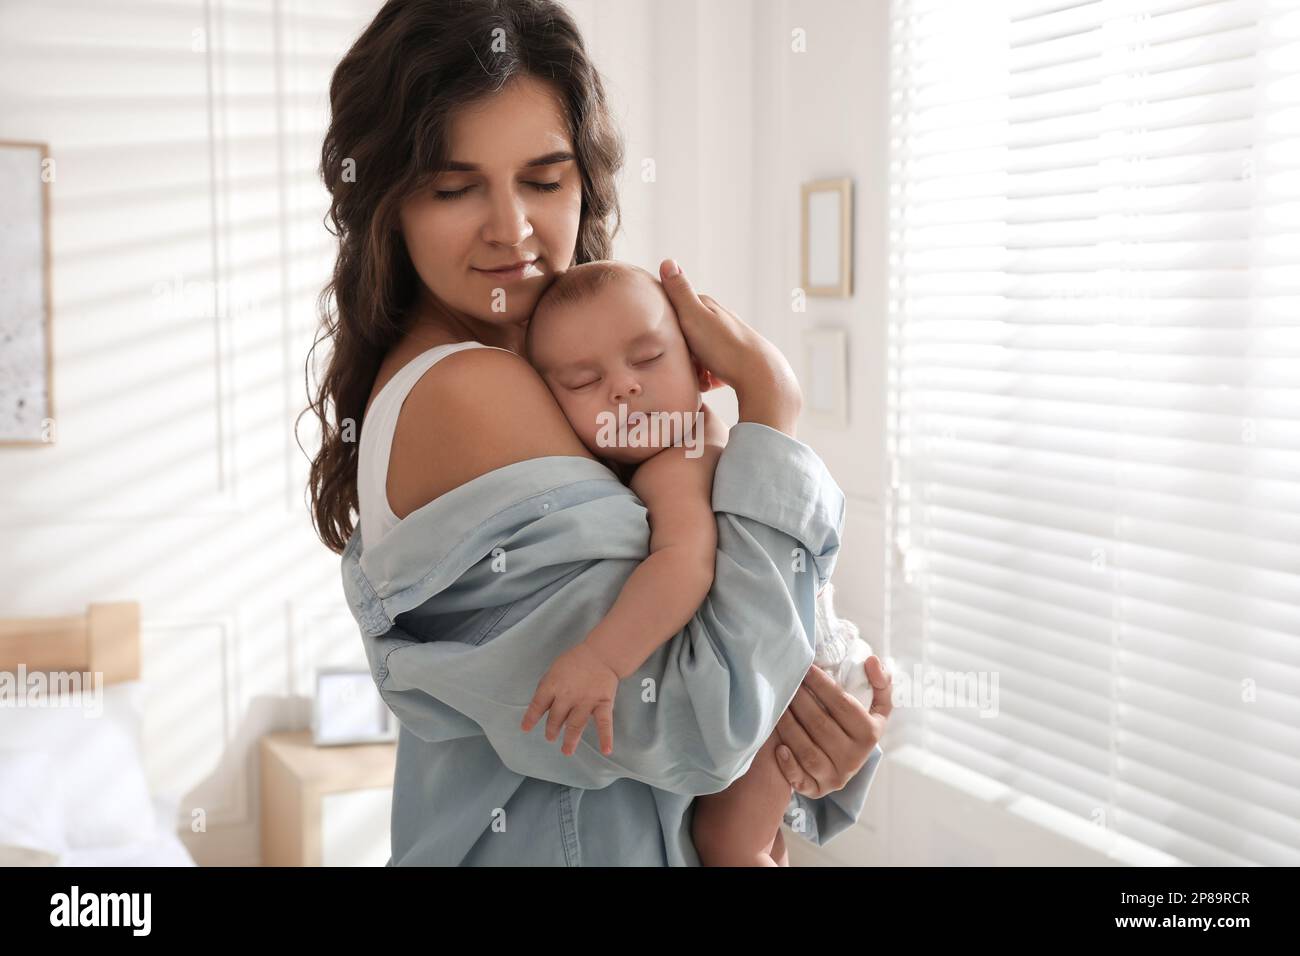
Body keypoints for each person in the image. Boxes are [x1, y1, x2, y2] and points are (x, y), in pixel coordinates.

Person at [303, 0, 892, 866]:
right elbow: (700, 721)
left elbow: (696, 721)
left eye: (544, 180)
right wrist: (771, 411)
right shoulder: (469, 391)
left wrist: (810, 748)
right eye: (455, 187)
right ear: (389, 202)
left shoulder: (555, 366)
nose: (513, 230)